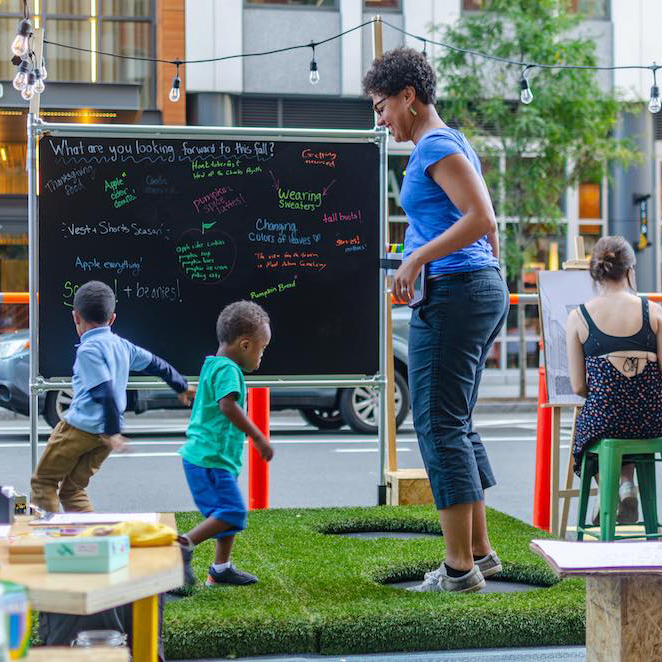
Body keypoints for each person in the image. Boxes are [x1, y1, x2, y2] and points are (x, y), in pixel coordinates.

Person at [363, 48, 508, 593]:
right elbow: (485, 232)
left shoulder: (436, 145)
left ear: (408, 96)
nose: (380, 120)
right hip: (470, 288)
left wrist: (421, 258)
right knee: (457, 423)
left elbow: (482, 218)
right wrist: (424, 254)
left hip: (455, 294)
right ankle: (480, 553)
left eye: (381, 107)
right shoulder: (451, 143)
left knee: (437, 426)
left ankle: (458, 571)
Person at [31, 280, 194, 514]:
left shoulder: (89, 350)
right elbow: (156, 364)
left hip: (80, 430)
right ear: (112, 318)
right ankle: (90, 541)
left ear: (75, 317)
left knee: (44, 482)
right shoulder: (122, 346)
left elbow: (104, 392)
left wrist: (113, 431)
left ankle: (50, 540)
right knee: (73, 490)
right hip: (103, 440)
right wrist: (181, 385)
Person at [567, 235, 662, 525]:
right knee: (630, 418)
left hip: (605, 419)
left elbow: (578, 386)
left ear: (594, 273)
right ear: (630, 271)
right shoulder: (654, 312)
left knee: (594, 429)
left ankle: (609, 491)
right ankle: (626, 485)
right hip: (651, 420)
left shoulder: (579, 317)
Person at [178, 301, 273, 588]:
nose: (261, 356)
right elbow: (227, 406)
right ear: (245, 345)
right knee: (232, 512)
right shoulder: (229, 370)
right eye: (262, 348)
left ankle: (221, 569)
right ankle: (182, 546)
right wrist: (257, 436)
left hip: (214, 458)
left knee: (226, 513)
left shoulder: (213, 364)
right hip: (210, 460)